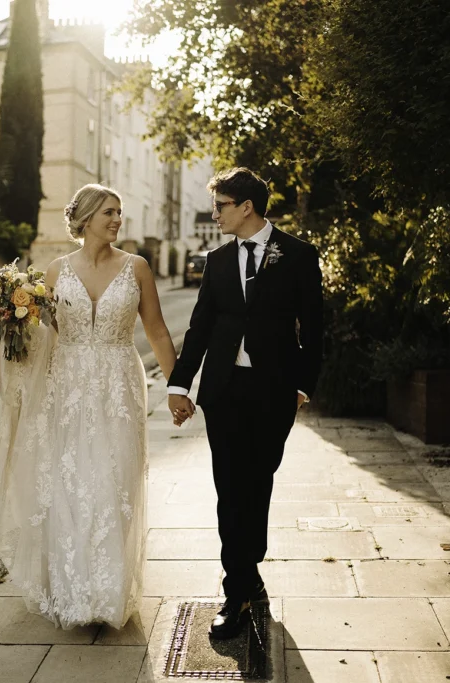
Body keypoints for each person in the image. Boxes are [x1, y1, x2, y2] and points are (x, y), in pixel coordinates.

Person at [0, 183, 180, 629]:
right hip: (67, 389)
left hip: (118, 386)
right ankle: (75, 591)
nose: (117, 219)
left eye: (120, 211)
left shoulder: (138, 268)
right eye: (110, 212)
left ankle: (108, 593)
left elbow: (157, 331)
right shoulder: (54, 271)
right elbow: (40, 339)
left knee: (116, 484)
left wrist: (179, 388)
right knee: (70, 485)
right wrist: (9, 336)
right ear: (88, 217)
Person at [167, 167, 323, 639]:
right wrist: (180, 384)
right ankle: (236, 588)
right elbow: (199, 328)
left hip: (274, 390)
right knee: (230, 485)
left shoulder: (296, 255)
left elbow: (314, 326)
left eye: (220, 205)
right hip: (225, 390)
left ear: (246, 207)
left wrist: (304, 385)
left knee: (258, 482)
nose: (213, 214)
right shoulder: (216, 261)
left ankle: (248, 571)